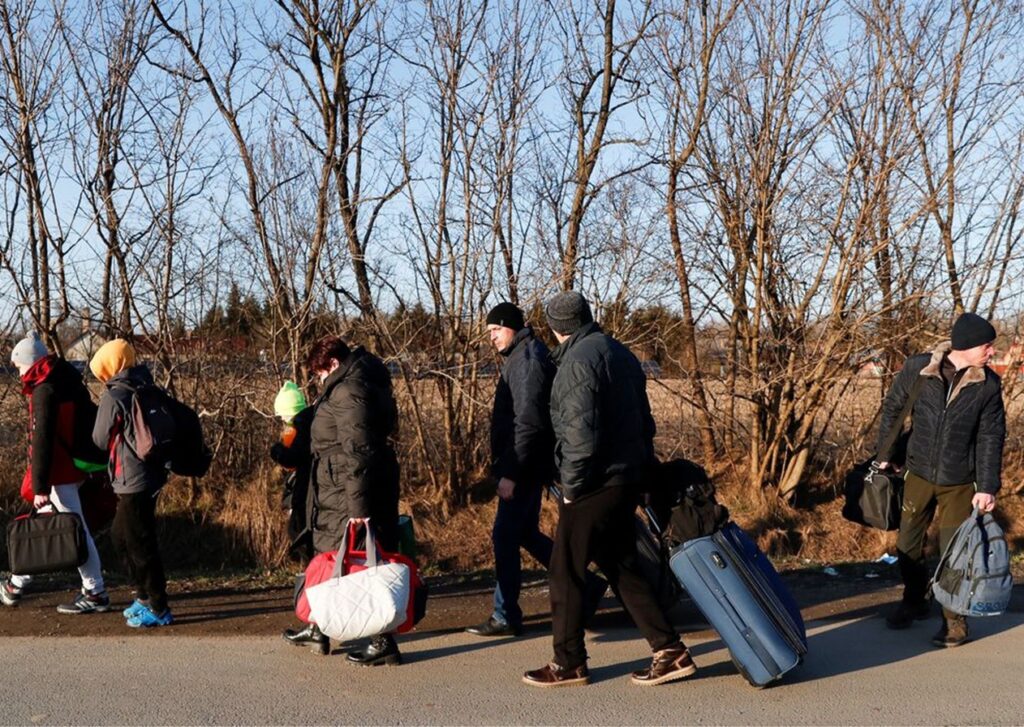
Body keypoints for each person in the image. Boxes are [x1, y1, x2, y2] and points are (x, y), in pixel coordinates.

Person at [523, 291, 696, 688]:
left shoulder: (577, 362)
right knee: (620, 564)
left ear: (556, 327)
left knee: (564, 570)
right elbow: (645, 422)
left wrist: (571, 487)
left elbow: (580, 435)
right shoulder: (618, 352)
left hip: (595, 482)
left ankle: (568, 663)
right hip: (628, 477)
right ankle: (670, 651)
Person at [878, 312, 1004, 647]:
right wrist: (885, 454)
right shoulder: (919, 368)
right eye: (987, 345)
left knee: (954, 553)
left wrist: (988, 486)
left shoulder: (988, 385)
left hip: (960, 481)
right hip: (917, 472)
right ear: (966, 345)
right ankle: (915, 600)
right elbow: (893, 409)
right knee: (907, 544)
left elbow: (992, 436)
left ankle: (954, 621)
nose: (992, 352)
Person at [301, 336, 403, 666]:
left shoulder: (349, 390)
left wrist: (359, 509)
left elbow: (357, 450)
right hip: (340, 486)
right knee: (334, 557)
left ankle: (382, 640)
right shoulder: (357, 382)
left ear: (332, 364)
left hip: (351, 490)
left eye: (319, 373)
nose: (319, 380)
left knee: (363, 563)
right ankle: (319, 625)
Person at [1, 334, 110, 613]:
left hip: (58, 472)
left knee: (73, 530)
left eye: (19, 366)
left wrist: (40, 486)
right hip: (73, 465)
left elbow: (41, 441)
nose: (19, 371)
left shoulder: (44, 391)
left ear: (30, 363)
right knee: (51, 526)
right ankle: (16, 583)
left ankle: (95, 591)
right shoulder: (67, 379)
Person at [90, 339, 173, 628]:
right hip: (151, 474)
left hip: (132, 479)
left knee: (138, 544)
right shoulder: (145, 383)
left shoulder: (115, 395)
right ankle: (144, 596)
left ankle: (159, 606)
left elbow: (99, 439)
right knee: (123, 537)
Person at [270, 381, 315, 564]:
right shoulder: (314, 419)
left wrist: (277, 451)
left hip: (302, 487)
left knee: (298, 531)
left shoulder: (297, 426)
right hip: (311, 485)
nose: (282, 420)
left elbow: (291, 458)